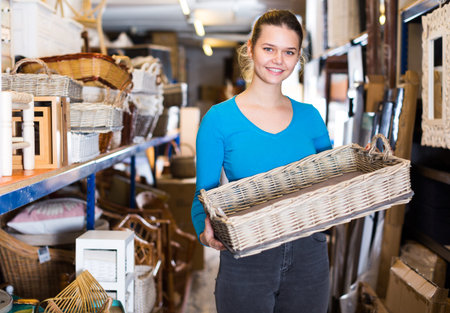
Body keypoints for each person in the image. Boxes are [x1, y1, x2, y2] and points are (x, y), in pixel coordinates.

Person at [191, 9, 332, 313]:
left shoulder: (311, 118)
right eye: (269, 48)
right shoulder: (219, 119)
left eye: (289, 52)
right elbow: (204, 194)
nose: (278, 60)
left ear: (298, 57)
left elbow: (330, 180)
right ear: (251, 48)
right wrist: (206, 230)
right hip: (248, 255)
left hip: (309, 254)